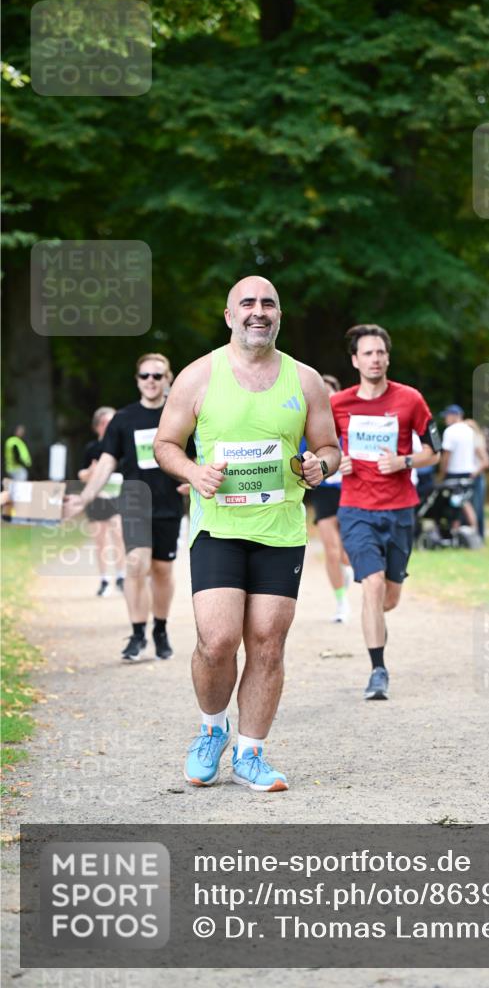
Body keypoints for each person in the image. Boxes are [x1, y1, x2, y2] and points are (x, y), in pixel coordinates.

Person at [153, 276, 340, 792]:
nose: (259, 311)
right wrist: (193, 473)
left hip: (280, 531)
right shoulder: (197, 376)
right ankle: (212, 728)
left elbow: (328, 447)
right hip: (219, 527)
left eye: (269, 303)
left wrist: (318, 466)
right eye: (248, 304)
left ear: (279, 315)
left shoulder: (304, 381)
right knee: (217, 642)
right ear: (230, 315)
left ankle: (252, 753)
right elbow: (166, 444)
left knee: (268, 645)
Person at [330, 324, 440, 701]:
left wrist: (404, 460)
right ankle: (378, 669)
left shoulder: (410, 399)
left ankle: (376, 619)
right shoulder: (338, 404)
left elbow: (434, 451)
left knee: (388, 597)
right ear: (355, 360)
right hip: (356, 508)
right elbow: (320, 450)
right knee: (372, 585)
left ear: (387, 357)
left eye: (380, 352)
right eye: (368, 353)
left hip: (400, 510)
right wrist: (335, 463)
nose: (375, 359)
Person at [64, 354, 182, 662]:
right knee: (134, 564)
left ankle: (161, 628)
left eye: (157, 375)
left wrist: (191, 480)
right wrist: (87, 496)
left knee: (162, 570)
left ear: (168, 378)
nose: (151, 381)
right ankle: (138, 633)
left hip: (168, 503)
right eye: (145, 376)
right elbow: (106, 462)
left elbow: (195, 456)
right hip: (134, 502)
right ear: (137, 380)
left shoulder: (178, 415)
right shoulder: (124, 419)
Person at [310, 374, 354, 623]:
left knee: (346, 552)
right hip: (325, 489)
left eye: (330, 391)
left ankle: (346, 571)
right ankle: (341, 603)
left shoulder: (350, 420)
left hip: (349, 488)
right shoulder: (310, 421)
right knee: (331, 549)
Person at [78, 407, 125, 598]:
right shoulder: (92, 449)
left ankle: (121, 577)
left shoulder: (122, 446)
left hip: (117, 498)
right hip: (97, 499)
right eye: (105, 423)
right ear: (97, 426)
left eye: (112, 422)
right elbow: (81, 474)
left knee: (119, 536)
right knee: (101, 541)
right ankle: (104, 579)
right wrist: (91, 472)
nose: (109, 426)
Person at [438, 405, 477, 533]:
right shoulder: (470, 430)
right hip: (468, 471)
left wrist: (442, 473)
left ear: (454, 416)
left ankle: (464, 530)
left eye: (447, 417)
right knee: (461, 502)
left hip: (454, 472)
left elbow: (446, 455)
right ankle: (465, 530)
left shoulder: (450, 431)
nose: (445, 420)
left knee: (459, 503)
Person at [466, 418, 489, 541]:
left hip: (477, 478)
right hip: (475, 478)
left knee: (477, 509)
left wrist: (474, 473)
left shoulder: (476, 442)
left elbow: (486, 462)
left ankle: (478, 537)